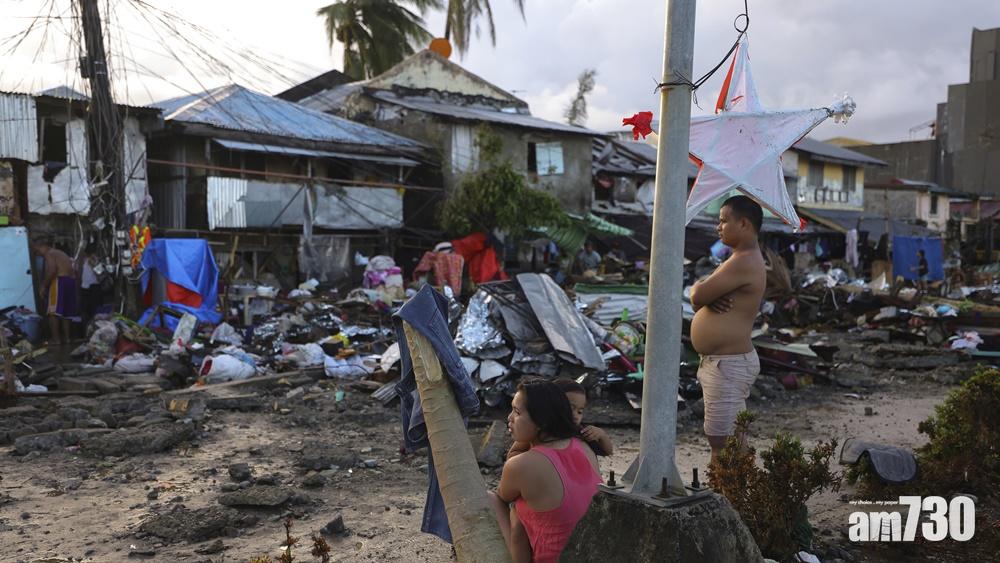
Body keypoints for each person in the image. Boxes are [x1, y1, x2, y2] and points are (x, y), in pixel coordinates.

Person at [688, 195, 766, 465]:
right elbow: (700, 292)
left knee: (725, 441)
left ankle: (729, 498)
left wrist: (701, 291)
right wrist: (702, 290)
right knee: (726, 439)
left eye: (723, 221)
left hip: (729, 363)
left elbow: (697, 296)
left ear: (743, 224)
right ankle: (731, 495)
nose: (717, 227)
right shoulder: (739, 259)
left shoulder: (743, 260)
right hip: (724, 362)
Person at [490, 379, 601, 563]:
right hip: (592, 554)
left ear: (541, 420)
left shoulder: (522, 465)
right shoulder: (582, 446)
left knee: (492, 499)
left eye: (517, 412)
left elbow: (504, 496)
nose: (509, 418)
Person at [507, 378, 613, 459]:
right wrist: (532, 459)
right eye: (570, 408)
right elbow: (512, 455)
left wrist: (601, 435)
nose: (575, 415)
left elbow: (607, 451)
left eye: (580, 411)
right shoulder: (536, 431)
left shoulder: (581, 432)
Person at [32, 238, 77, 345]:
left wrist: (43, 286)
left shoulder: (49, 253)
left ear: (41, 247)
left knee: (53, 312)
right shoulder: (60, 253)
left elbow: (52, 270)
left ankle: (56, 339)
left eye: (37, 251)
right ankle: (67, 338)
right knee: (66, 313)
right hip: (70, 281)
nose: (38, 254)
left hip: (59, 281)